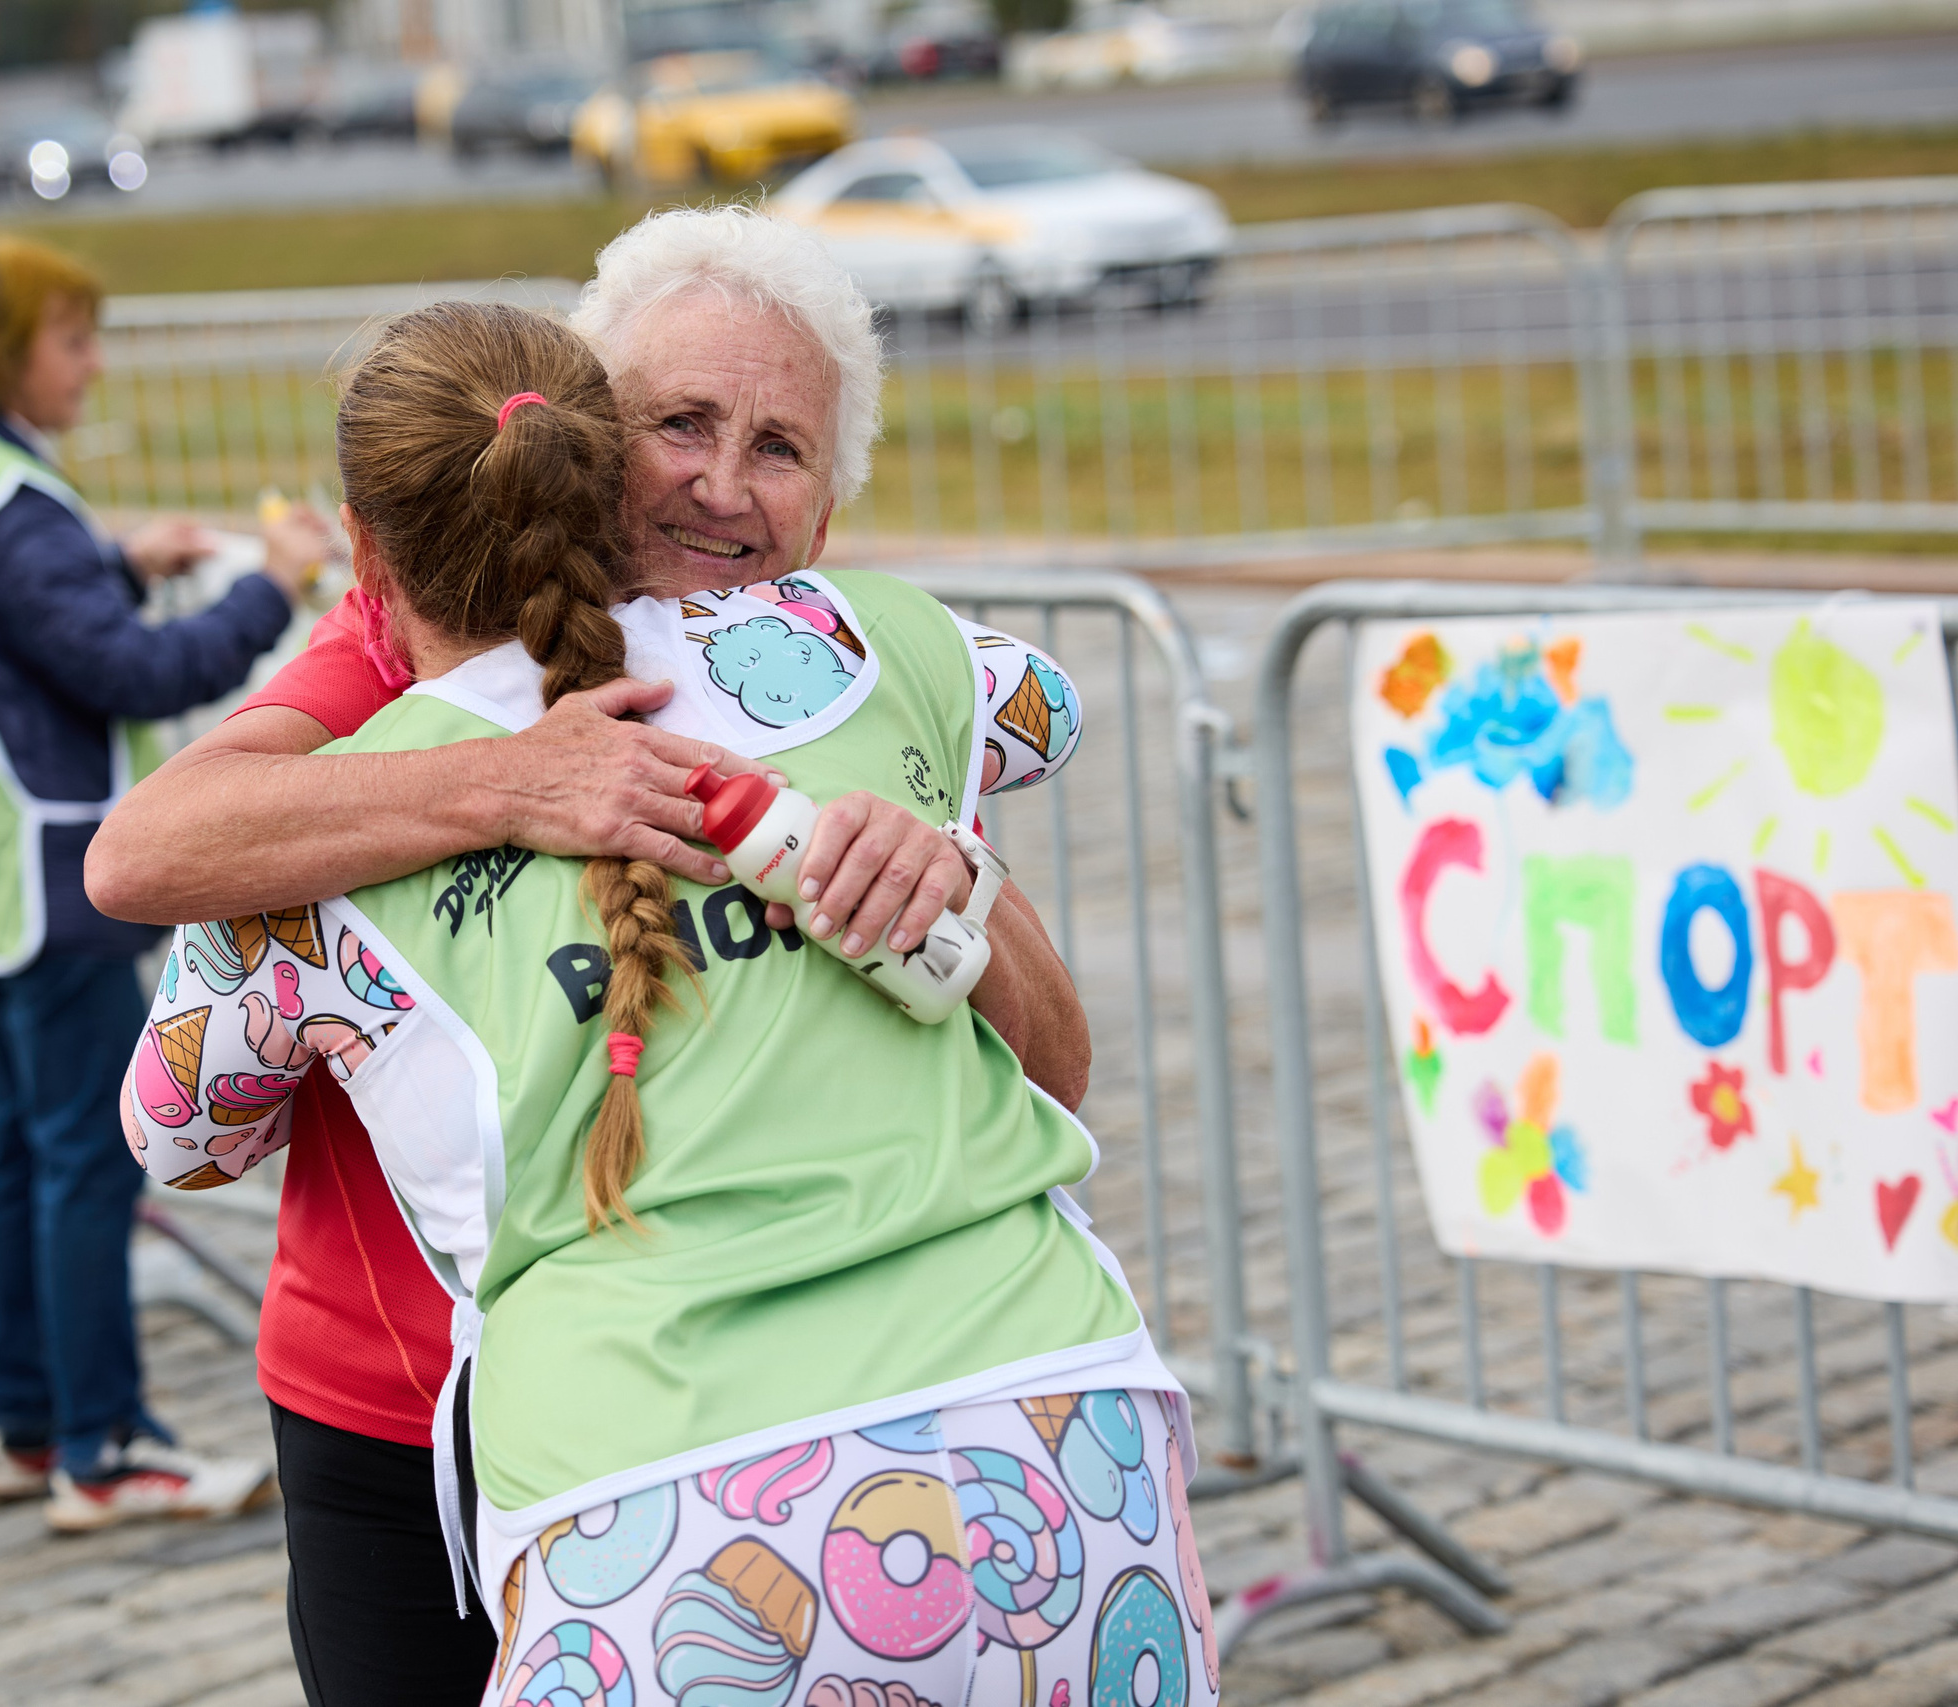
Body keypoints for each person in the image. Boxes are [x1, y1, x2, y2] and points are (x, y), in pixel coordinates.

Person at [123, 300, 1214, 1706]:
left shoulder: (297, 861)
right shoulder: (856, 639)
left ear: (367, 545)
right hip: (1065, 1453)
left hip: (655, 1517)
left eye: (773, 449)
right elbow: (1042, 712)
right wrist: (898, 763)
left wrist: (941, 844)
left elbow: (176, 1136)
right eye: (682, 431)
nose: (716, 484)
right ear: (602, 471)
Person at [0, 235, 310, 1532]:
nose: (92, 364)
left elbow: (18, 627)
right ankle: (105, 1449)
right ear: (7, 351)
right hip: (43, 863)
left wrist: (116, 562)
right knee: (86, 1166)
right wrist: (270, 593)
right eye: (72, 340)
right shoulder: (5, 497)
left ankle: (25, 1422)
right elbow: (127, 674)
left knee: (16, 1154)